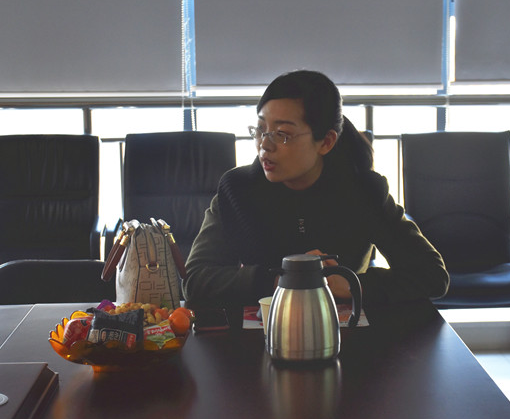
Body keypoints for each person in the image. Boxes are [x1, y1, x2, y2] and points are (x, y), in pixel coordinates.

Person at [183, 70, 449, 319]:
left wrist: (352, 284)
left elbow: (432, 275)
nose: (265, 145)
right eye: (261, 130)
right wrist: (280, 280)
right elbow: (195, 282)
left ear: (326, 142)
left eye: (282, 134)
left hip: (347, 334)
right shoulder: (238, 189)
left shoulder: (363, 191)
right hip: (263, 333)